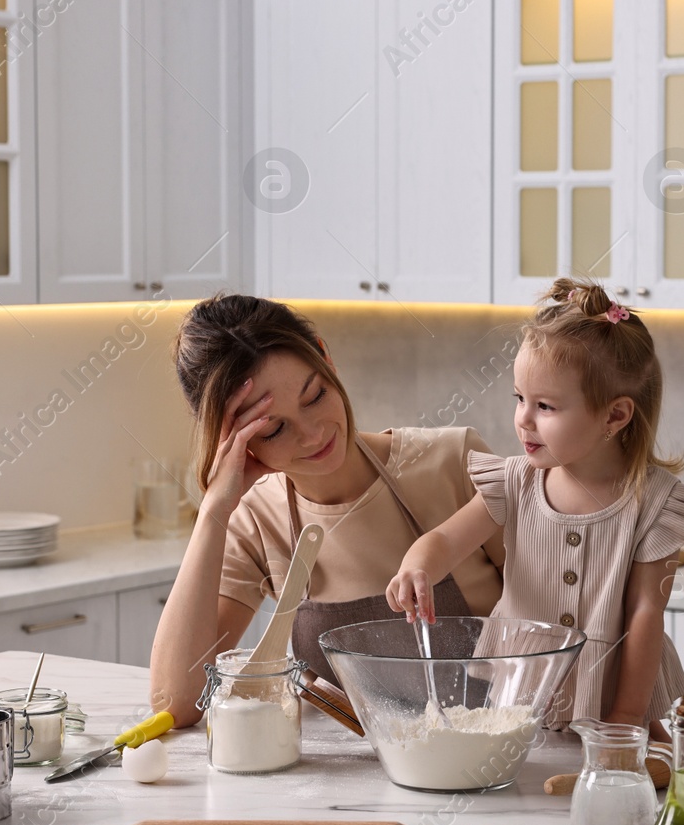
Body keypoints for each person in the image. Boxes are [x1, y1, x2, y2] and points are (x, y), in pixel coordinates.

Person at [150, 295, 504, 726]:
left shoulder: (456, 462)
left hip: (494, 758)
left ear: (325, 356)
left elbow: (562, 619)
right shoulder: (257, 521)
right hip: (351, 781)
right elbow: (176, 703)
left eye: (315, 395)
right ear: (232, 438)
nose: (313, 434)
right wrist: (213, 512)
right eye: (275, 428)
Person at [387, 278, 684, 730]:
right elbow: (445, 540)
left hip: (615, 691)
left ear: (614, 416)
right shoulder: (515, 481)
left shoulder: (654, 503)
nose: (523, 418)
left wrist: (626, 717)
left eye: (546, 406)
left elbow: (645, 612)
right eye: (520, 398)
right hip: (523, 683)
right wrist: (415, 565)